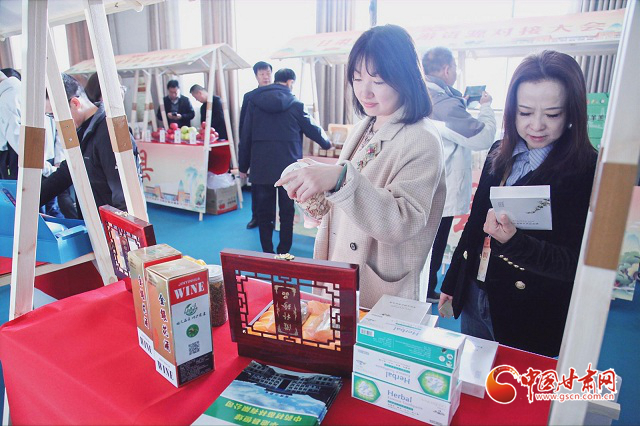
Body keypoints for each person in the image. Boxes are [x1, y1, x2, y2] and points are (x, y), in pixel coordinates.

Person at [439, 50, 598, 357]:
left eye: (552, 114)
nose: (536, 125)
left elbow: (573, 263)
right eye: (525, 112)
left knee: (515, 382)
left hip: (530, 308)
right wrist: (454, 279)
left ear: (572, 113)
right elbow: (475, 223)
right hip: (476, 291)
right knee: (473, 375)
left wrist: (514, 242)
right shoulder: (499, 151)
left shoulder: (585, 169)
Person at [276, 25, 446, 309]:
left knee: (367, 336)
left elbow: (403, 221)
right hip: (342, 260)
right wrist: (317, 182)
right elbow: (353, 188)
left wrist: (339, 178)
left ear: (405, 78)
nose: (364, 91)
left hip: (378, 278)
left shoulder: (422, 137)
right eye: (356, 78)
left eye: (378, 81)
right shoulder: (365, 125)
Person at [421, 47, 497, 303]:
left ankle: (422, 287)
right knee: (436, 241)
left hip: (422, 181)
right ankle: (427, 288)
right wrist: (486, 107)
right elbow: (482, 137)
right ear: (447, 70)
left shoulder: (421, 96)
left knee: (423, 241)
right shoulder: (445, 104)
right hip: (441, 186)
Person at [239, 68, 331, 255]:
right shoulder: (295, 104)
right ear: (290, 82)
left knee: (264, 213)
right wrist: (327, 143)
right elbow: (313, 130)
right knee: (287, 213)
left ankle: (267, 252)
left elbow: (245, 136)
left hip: (261, 167)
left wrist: (243, 166)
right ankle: (283, 252)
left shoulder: (253, 101)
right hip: (289, 170)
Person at [40, 73, 142, 217]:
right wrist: (29, 201)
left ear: (75, 103)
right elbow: (67, 172)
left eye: (53, 115)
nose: (56, 122)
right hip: (94, 221)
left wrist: (121, 228)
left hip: (111, 224)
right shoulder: (82, 131)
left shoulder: (110, 132)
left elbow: (124, 195)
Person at [240, 61, 273, 229]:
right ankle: (256, 217)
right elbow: (243, 124)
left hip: (274, 146)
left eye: (268, 73)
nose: (265, 77)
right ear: (256, 76)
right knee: (256, 186)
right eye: (262, 74)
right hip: (255, 147)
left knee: (274, 185)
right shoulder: (249, 96)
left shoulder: (278, 94)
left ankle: (273, 217)